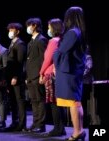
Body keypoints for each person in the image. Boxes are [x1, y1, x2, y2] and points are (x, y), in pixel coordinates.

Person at [53, 6, 87, 140]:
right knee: (76, 102)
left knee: (73, 102)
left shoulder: (72, 32)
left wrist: (55, 62)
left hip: (69, 72)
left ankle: (77, 132)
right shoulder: (79, 32)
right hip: (73, 71)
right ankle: (79, 131)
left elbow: (61, 51)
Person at [39, 18, 66, 136]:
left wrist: (41, 73)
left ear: (54, 28)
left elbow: (48, 59)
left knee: (53, 102)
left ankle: (58, 128)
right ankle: (61, 128)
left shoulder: (53, 41)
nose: (48, 29)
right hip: (57, 74)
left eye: (49, 27)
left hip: (50, 74)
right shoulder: (61, 40)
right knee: (57, 102)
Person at [25, 18, 48, 133]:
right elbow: (29, 60)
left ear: (34, 26)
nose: (28, 28)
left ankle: (41, 124)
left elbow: (44, 59)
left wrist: (42, 74)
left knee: (40, 100)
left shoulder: (41, 39)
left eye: (29, 25)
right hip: (30, 76)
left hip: (38, 75)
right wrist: (27, 76)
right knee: (33, 100)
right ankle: (35, 123)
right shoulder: (31, 41)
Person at [4, 23, 27, 132]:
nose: (10, 32)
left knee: (19, 100)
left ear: (17, 31)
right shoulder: (12, 44)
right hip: (10, 77)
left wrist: (16, 76)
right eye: (9, 30)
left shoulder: (20, 44)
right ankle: (14, 122)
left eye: (12, 29)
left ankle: (22, 124)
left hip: (16, 77)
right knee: (13, 101)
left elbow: (20, 62)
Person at [82, 46, 93, 127]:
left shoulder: (88, 57)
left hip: (86, 83)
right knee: (81, 103)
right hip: (80, 83)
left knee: (84, 103)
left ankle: (85, 122)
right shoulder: (80, 57)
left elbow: (88, 68)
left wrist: (79, 75)